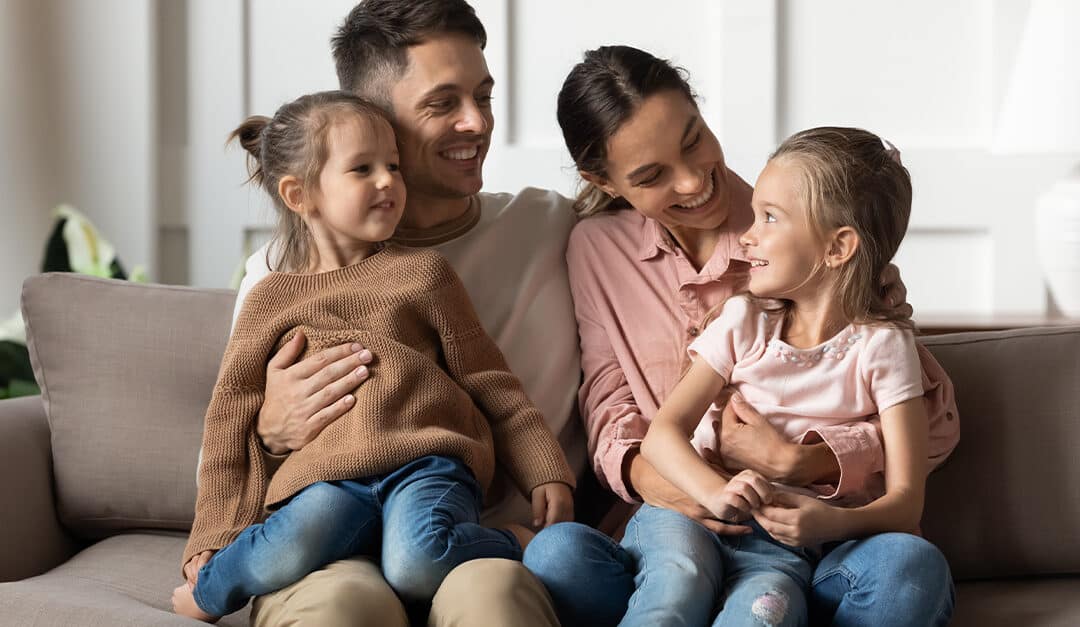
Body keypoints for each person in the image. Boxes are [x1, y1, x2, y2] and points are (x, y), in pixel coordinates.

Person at [523, 46, 959, 627]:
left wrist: (806, 463)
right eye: (651, 176)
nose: (692, 181)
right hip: (680, 525)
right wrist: (672, 484)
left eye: (693, 140)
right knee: (556, 555)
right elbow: (612, 404)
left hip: (810, 532)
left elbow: (936, 427)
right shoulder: (599, 251)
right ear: (602, 180)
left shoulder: (804, 230)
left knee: (907, 568)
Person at [223, 2, 586, 625]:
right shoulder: (280, 275)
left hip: (482, 546)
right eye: (443, 103)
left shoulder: (550, 225)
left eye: (484, 94)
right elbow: (227, 444)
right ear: (374, 117)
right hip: (332, 547)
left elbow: (697, 209)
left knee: (491, 602)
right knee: (341, 606)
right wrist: (269, 430)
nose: (477, 122)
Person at [628, 126, 936, 626]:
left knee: (768, 607)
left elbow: (906, 503)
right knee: (674, 589)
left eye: (770, 217)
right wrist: (714, 493)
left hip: (785, 556)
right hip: (698, 521)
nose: (748, 235)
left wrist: (832, 522)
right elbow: (661, 435)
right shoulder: (743, 321)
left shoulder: (884, 347)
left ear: (838, 248)